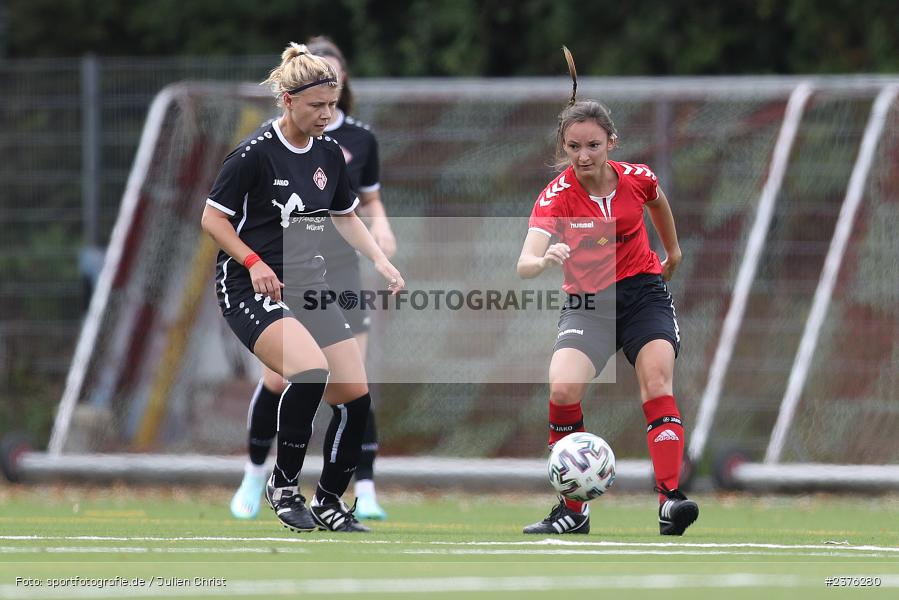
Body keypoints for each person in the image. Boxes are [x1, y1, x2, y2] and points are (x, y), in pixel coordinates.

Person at [201, 42, 403, 533]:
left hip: (308, 286)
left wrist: (380, 260)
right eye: (316, 106)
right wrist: (251, 262)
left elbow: (345, 216)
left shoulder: (330, 152)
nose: (326, 115)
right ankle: (282, 485)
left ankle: (331, 500)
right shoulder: (253, 153)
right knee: (309, 371)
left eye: (332, 105)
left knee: (355, 394)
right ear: (288, 100)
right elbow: (211, 219)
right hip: (251, 288)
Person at [517, 48, 698, 536]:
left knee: (657, 384)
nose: (583, 155)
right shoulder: (556, 196)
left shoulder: (636, 179)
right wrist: (544, 259)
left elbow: (658, 202)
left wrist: (673, 251)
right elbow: (524, 261)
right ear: (564, 148)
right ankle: (572, 513)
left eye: (592, 145)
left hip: (643, 295)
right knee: (562, 389)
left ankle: (669, 500)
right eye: (573, 147)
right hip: (588, 304)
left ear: (611, 143)